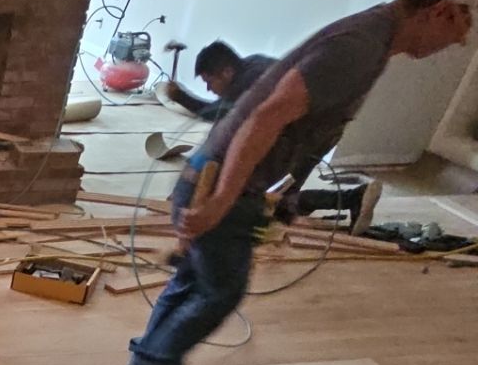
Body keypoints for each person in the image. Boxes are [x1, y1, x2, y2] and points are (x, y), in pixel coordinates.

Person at [124, 0, 478, 365]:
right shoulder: (356, 49)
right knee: (220, 290)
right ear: (442, 10)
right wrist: (222, 200)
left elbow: (297, 127)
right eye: (463, 24)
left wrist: (285, 195)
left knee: (196, 278)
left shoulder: (370, 39)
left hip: (228, 176)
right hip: (223, 179)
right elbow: (266, 117)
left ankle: (151, 359)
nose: (459, 41)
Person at [164, 38, 384, 233]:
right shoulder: (253, 64)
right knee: (282, 200)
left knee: (261, 199)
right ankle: (354, 198)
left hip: (307, 134)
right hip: (322, 126)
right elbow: (221, 115)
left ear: (227, 72)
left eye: (209, 82)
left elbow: (218, 128)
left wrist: (187, 185)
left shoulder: (247, 85)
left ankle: (352, 198)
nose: (208, 89)